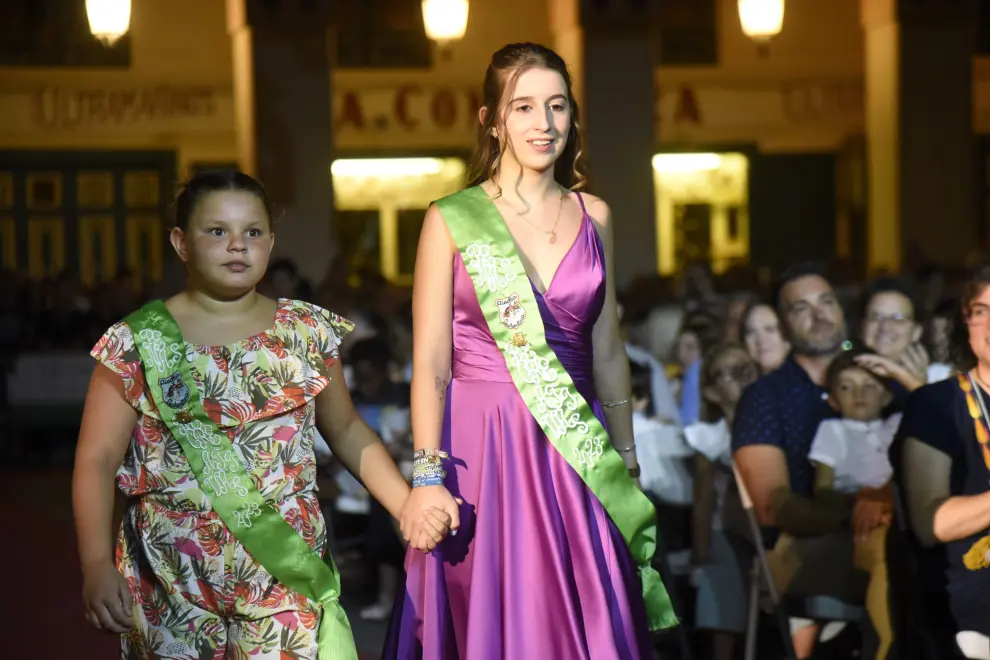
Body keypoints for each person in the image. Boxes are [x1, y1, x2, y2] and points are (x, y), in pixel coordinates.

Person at [72, 171, 452, 659]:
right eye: (216, 232)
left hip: (285, 573)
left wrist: (406, 506)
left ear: (271, 242)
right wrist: (96, 563)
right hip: (171, 577)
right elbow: (97, 459)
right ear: (180, 242)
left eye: (252, 232)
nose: (237, 245)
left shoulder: (306, 331)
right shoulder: (137, 341)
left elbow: (347, 429)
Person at [383, 42, 676, 659]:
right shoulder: (452, 218)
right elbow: (432, 363)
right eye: (523, 107)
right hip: (483, 450)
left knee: (589, 616)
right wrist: (428, 475)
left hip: (577, 451)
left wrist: (627, 460)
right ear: (491, 119)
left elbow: (607, 346)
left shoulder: (594, 215)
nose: (543, 124)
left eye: (557, 106)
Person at [732, 263, 885, 659]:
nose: (819, 315)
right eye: (801, 308)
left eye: (826, 301)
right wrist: (859, 508)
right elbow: (771, 507)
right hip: (809, 546)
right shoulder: (766, 397)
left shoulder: (880, 376)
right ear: (783, 326)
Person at [898, 261, 990, 659]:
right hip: (973, 596)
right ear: (963, 324)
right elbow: (932, 524)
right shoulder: (937, 404)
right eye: (982, 312)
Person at [809, 346, 901, 659]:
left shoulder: (898, 425)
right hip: (860, 521)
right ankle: (886, 646)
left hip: (897, 511)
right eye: (847, 388)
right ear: (833, 399)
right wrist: (855, 499)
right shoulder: (832, 430)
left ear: (887, 396)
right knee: (881, 554)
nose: (859, 395)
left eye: (869, 387)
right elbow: (822, 486)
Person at [686, 343, 759, 660]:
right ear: (713, 392)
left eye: (747, 369)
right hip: (725, 531)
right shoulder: (711, 437)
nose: (743, 378)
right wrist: (700, 554)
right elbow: (703, 498)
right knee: (723, 588)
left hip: (766, 527)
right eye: (731, 374)